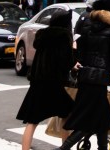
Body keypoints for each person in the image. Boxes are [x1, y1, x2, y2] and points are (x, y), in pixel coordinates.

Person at [60, 0, 110, 150]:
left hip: (85, 77)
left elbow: (83, 52)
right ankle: (63, 149)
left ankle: (102, 147)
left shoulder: (88, 26)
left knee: (102, 119)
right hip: (99, 81)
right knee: (89, 120)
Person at [15, 9, 74, 150]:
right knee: (66, 114)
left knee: (32, 121)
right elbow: (66, 61)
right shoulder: (64, 36)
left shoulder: (42, 35)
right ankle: (65, 147)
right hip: (54, 83)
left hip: (38, 81)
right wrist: (74, 54)